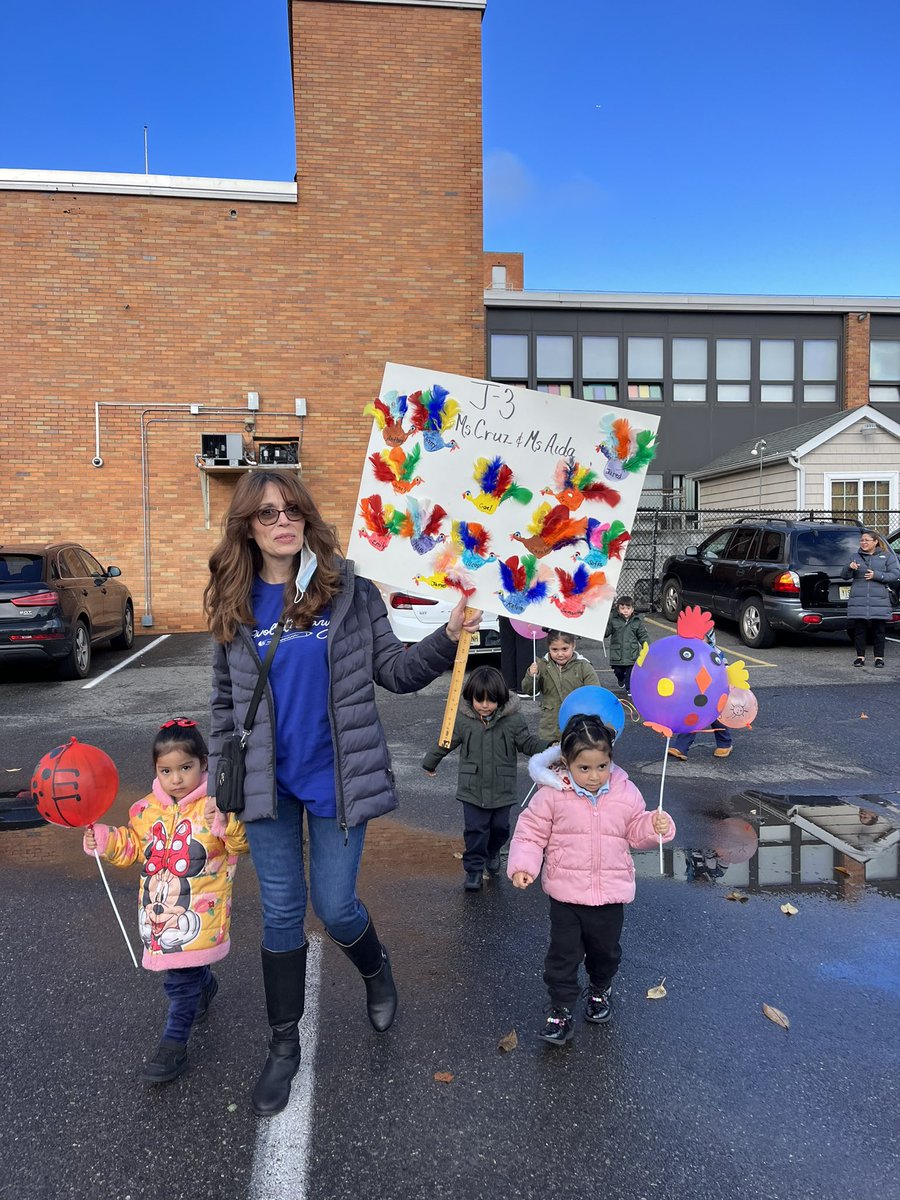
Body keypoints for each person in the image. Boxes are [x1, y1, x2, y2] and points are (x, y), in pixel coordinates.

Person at [203, 470, 481, 1117]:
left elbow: (396, 672)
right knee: (279, 913)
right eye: (268, 512)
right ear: (247, 524)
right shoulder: (232, 600)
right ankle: (282, 1048)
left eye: (293, 509)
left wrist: (447, 636)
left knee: (334, 904)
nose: (283, 521)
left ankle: (375, 967)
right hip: (267, 782)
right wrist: (221, 782)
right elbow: (224, 704)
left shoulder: (346, 591)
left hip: (338, 777)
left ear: (306, 518)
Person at [83, 719, 248, 1084]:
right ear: (156, 770)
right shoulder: (145, 810)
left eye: (185, 768)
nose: (176, 779)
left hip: (200, 915)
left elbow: (240, 845)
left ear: (204, 763)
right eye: (167, 770)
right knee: (187, 975)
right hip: (160, 912)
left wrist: (225, 822)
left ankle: (173, 1046)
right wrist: (105, 840)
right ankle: (205, 984)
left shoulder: (215, 804)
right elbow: (132, 847)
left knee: (179, 982)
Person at [508, 714, 675, 1045]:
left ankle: (600, 988)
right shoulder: (552, 794)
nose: (595, 776)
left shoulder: (625, 793)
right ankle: (560, 1009)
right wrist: (523, 865)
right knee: (562, 955)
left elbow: (635, 831)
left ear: (611, 759)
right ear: (566, 762)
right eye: (584, 768)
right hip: (566, 895)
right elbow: (530, 833)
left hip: (610, 896)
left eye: (602, 766)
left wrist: (656, 826)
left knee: (605, 953)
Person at [422, 665, 549, 892]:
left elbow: (527, 743)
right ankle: (474, 870)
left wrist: (550, 749)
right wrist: (430, 762)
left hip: (502, 788)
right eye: (478, 700)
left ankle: (493, 852)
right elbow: (446, 741)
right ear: (470, 698)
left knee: (500, 829)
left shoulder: (513, 721)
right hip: (473, 788)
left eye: (490, 700)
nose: (484, 705)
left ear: (500, 699)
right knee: (475, 831)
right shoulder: (463, 720)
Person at [668, 624, 733, 760]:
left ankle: (725, 743)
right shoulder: (689, 652)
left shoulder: (716, 653)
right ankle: (681, 747)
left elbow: (725, 670)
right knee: (691, 718)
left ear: (709, 638)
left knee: (716, 718)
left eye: (700, 637)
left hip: (713, 692)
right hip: (694, 692)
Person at [523, 629, 599, 741]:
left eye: (565, 649)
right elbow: (529, 690)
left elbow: (594, 693)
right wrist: (532, 675)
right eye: (554, 649)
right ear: (548, 648)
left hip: (577, 725)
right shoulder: (541, 665)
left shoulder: (583, 666)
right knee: (551, 757)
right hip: (550, 726)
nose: (560, 654)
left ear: (573, 646)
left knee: (575, 755)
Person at [843, 528, 900, 668]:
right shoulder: (855, 557)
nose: (863, 543)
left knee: (879, 631)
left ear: (875, 542)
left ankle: (879, 658)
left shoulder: (887, 556)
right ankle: (860, 657)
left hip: (879, 600)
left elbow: (895, 574)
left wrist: (877, 575)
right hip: (859, 599)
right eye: (862, 540)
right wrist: (849, 568)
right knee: (860, 630)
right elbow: (844, 576)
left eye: (867, 540)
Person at [604, 594, 649, 694]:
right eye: (622, 608)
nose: (625, 610)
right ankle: (621, 679)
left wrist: (646, 645)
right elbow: (607, 632)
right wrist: (601, 630)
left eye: (628, 608)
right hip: (617, 654)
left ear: (632, 609)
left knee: (630, 672)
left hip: (632, 654)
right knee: (618, 671)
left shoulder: (637, 621)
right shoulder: (613, 620)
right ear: (618, 609)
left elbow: (643, 635)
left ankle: (629, 688)